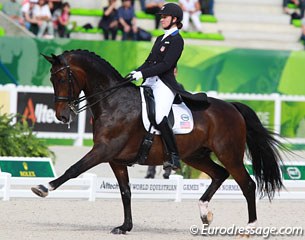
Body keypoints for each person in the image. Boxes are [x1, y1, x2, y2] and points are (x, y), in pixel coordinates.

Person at [128, 3, 209, 171]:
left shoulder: (177, 40)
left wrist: (142, 74)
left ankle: (173, 156)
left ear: (175, 19)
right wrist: (136, 72)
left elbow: (166, 65)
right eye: (161, 17)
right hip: (150, 81)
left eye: (165, 17)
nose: (162, 19)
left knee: (158, 117)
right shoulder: (159, 38)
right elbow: (149, 61)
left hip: (164, 85)